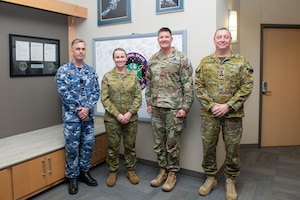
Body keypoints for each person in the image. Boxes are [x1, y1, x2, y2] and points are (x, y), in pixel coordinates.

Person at [195, 27, 254, 200]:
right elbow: (198, 86)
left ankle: (230, 180)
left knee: (232, 149)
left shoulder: (241, 61)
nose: (222, 39)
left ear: (230, 40)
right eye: (219, 37)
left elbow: (247, 87)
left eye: (225, 37)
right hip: (209, 115)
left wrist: (228, 106)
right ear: (214, 40)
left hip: (232, 116)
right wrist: (212, 105)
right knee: (208, 148)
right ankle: (211, 178)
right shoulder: (205, 62)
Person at [145, 27, 194, 192]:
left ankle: (172, 173)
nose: (164, 39)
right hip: (157, 109)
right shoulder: (152, 60)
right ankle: (162, 170)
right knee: (158, 143)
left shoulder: (181, 59)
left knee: (172, 144)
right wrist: (149, 103)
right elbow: (149, 84)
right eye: (161, 37)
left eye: (166, 37)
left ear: (171, 39)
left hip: (174, 109)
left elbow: (188, 85)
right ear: (158, 39)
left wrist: (185, 107)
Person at [55, 39, 100, 195]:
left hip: (87, 118)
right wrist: (78, 110)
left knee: (88, 145)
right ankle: (72, 177)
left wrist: (87, 108)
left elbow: (96, 92)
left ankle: (84, 172)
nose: (81, 51)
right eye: (78, 48)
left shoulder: (91, 71)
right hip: (72, 119)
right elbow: (63, 93)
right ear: (72, 51)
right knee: (72, 148)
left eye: (83, 48)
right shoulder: (63, 70)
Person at [101, 48, 142, 187]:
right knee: (113, 147)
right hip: (113, 119)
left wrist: (129, 113)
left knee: (130, 146)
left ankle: (130, 170)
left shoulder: (133, 76)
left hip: (131, 119)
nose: (119, 59)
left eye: (122, 57)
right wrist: (117, 115)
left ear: (126, 59)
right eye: (117, 57)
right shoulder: (107, 77)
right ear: (114, 59)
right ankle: (112, 172)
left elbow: (138, 97)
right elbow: (105, 99)